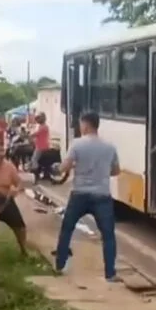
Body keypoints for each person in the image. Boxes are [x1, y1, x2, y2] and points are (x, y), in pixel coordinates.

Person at [52, 112, 121, 282]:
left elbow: (64, 167)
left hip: (80, 195)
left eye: (81, 124)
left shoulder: (77, 144)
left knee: (67, 228)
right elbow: (116, 171)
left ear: (86, 125)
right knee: (108, 235)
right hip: (102, 195)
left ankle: (60, 265)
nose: (80, 127)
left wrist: (59, 168)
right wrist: (102, 172)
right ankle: (110, 273)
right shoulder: (110, 146)